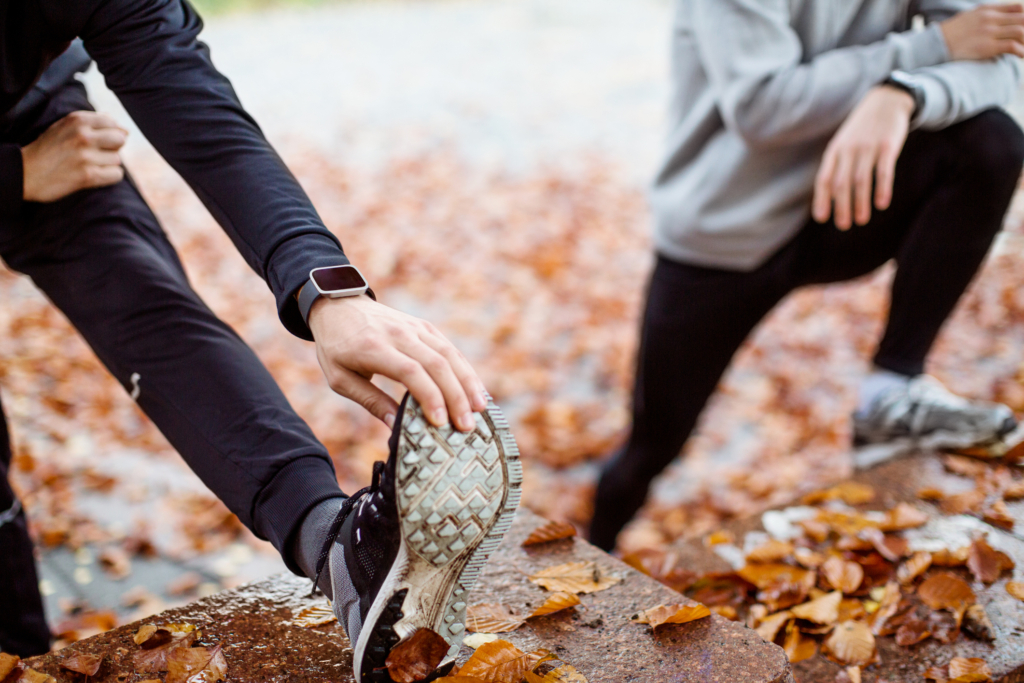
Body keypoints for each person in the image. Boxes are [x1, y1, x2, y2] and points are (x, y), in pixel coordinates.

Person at [0, 2, 522, 679]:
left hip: (39, 123)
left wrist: (327, 293)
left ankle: (339, 553)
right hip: (22, 161)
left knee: (151, 307)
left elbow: (194, 105)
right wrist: (13, 177)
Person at [590, 0, 1024, 552]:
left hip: (841, 205)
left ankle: (891, 390)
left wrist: (905, 95)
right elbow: (761, 107)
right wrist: (931, 49)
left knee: (992, 141)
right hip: (723, 233)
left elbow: (1002, 54)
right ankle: (597, 550)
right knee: (652, 445)